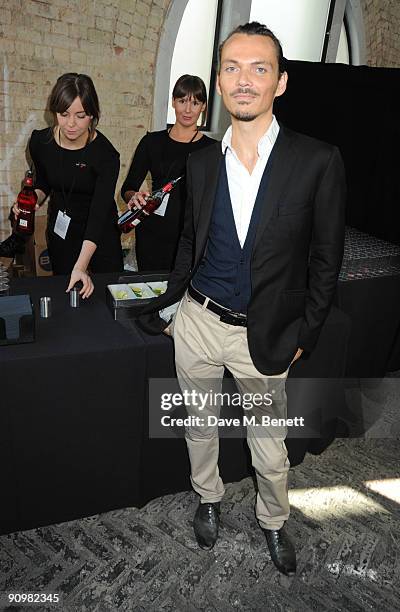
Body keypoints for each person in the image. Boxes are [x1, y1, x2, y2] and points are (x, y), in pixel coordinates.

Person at [138, 22, 346, 576]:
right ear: (220, 81)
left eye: (259, 67)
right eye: (232, 67)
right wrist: (173, 306)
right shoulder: (202, 160)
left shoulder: (317, 160)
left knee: (268, 446)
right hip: (200, 322)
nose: (244, 79)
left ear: (280, 82)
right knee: (200, 424)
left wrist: (307, 332)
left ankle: (274, 522)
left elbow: (327, 258)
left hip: (267, 335)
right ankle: (207, 497)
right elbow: (190, 239)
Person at [0, 73, 123, 298]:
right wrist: (31, 200)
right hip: (63, 227)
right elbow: (44, 181)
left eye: (81, 115)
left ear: (93, 114)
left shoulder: (106, 155)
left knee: (110, 292)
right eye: (63, 114)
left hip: (100, 229)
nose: (71, 124)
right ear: (54, 111)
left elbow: (98, 214)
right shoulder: (40, 142)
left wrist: (81, 265)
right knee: (66, 292)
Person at [120, 75, 216, 271]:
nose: (188, 110)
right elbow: (128, 188)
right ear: (173, 101)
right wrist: (135, 197)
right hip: (151, 232)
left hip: (190, 236)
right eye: (182, 101)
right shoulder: (151, 142)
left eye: (195, 103)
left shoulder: (213, 150)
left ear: (204, 106)